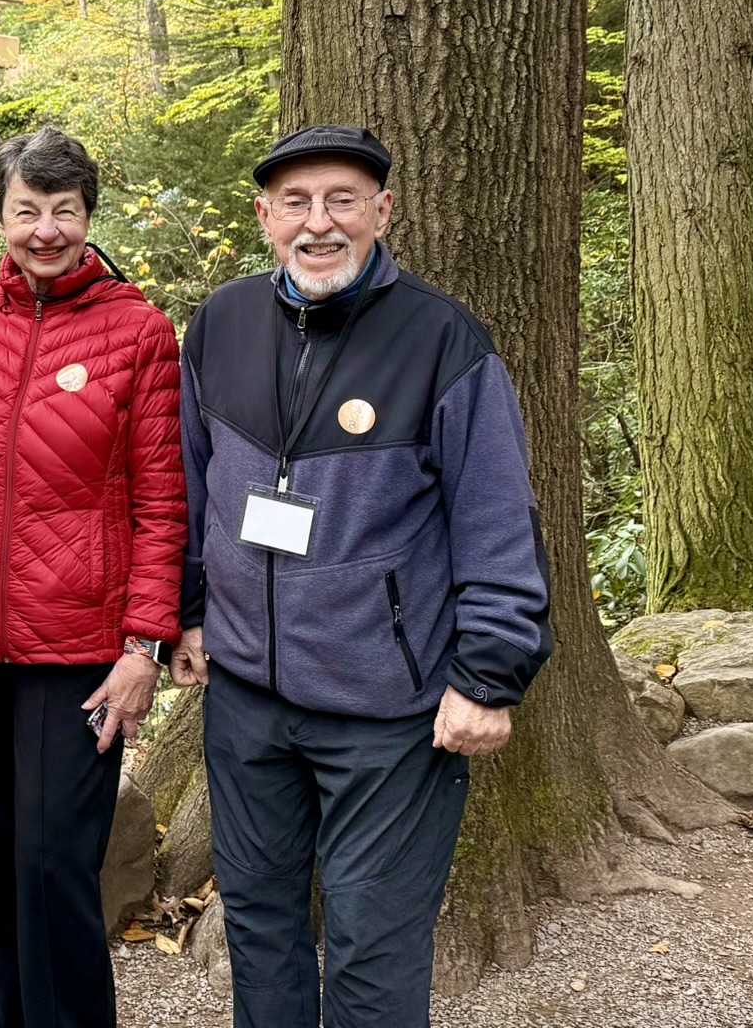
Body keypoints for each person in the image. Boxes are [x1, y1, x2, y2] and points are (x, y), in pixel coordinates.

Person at [171, 124, 554, 1028]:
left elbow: (497, 518)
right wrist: (187, 613)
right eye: (296, 203)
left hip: (390, 712)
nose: (319, 224)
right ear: (264, 216)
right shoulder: (221, 322)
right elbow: (190, 482)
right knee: (261, 929)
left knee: (374, 947)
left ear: (384, 211)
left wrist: (488, 677)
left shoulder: (444, 340)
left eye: (343, 200)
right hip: (245, 701)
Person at [0, 127, 186, 1028]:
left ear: (89, 217)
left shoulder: (138, 334)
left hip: (84, 649)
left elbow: (164, 503)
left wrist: (145, 644)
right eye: (28, 211)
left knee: (56, 859)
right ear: (1, 218)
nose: (46, 229)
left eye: (64, 211)